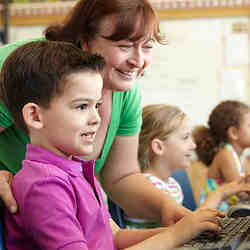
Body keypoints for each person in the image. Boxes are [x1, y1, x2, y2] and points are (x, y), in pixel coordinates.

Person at [0, 40, 224, 250]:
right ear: (35, 116)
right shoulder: (43, 185)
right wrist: (175, 236)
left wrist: (182, 231)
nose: (96, 117)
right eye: (81, 106)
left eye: (96, 105)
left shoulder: (77, 169)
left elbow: (113, 237)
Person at [0, 0, 189, 225]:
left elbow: (121, 178)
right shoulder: (24, 67)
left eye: (147, 47)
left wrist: (171, 210)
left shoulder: (125, 93)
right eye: (124, 46)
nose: (138, 61)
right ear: (85, 40)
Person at [123, 104, 250, 228]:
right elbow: (189, 226)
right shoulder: (149, 186)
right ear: (158, 147)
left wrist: (224, 191)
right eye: (185, 138)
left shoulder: (172, 184)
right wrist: (221, 192)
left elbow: (188, 224)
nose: (193, 145)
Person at [193, 100, 250, 210]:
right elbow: (243, 192)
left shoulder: (243, 158)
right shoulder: (226, 155)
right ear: (234, 133)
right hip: (214, 218)